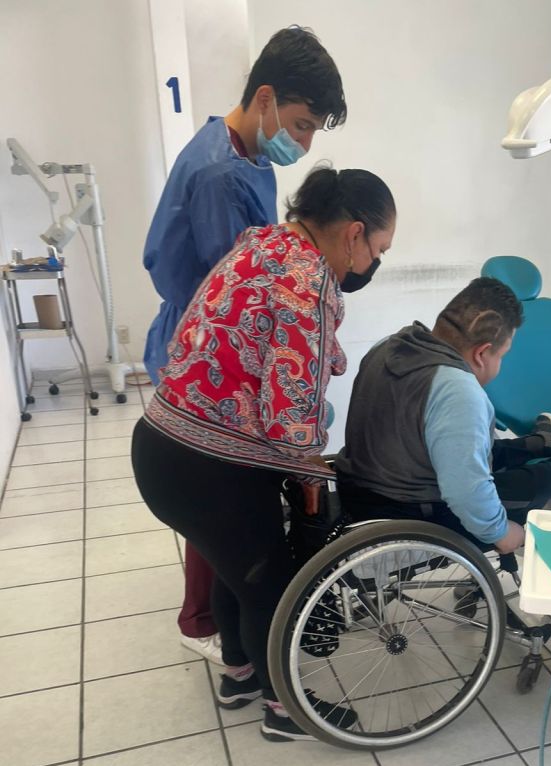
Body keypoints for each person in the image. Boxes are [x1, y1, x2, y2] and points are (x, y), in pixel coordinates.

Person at [132, 166, 396, 742]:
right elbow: (289, 419)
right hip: (206, 467)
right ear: (353, 234)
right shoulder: (309, 284)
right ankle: (286, 710)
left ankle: (240, 677)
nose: (372, 263)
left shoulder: (264, 243)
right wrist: (314, 466)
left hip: (161, 446)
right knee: (269, 583)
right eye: (377, 250)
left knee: (234, 569)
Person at [142, 26, 347, 666]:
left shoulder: (237, 152)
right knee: (233, 526)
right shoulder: (222, 176)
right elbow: (241, 300)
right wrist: (306, 441)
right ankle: (211, 628)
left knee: (223, 517)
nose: (304, 145)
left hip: (199, 359)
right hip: (208, 354)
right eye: (301, 124)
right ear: (264, 98)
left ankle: (233, 652)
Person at [334, 277, 551, 551]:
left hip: (361, 491)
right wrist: (500, 532)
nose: (500, 365)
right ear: (482, 353)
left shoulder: (389, 347)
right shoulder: (457, 390)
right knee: (545, 477)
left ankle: (543, 442)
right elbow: (466, 493)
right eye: (502, 355)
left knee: (479, 449)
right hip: (414, 512)